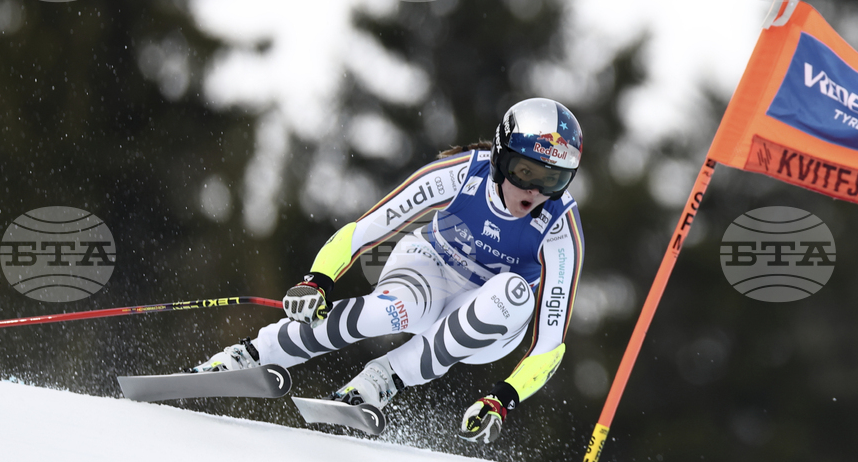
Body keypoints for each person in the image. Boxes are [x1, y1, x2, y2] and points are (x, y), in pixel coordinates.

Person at [193, 97, 585, 443]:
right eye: (524, 172)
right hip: (431, 268)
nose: (534, 192)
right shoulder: (462, 173)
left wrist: (502, 398)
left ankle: (383, 379)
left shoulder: (559, 226)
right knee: (390, 311)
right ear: (501, 158)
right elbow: (366, 230)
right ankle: (251, 354)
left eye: (553, 180)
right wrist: (318, 281)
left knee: (515, 293)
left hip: (487, 318)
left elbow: (550, 344)